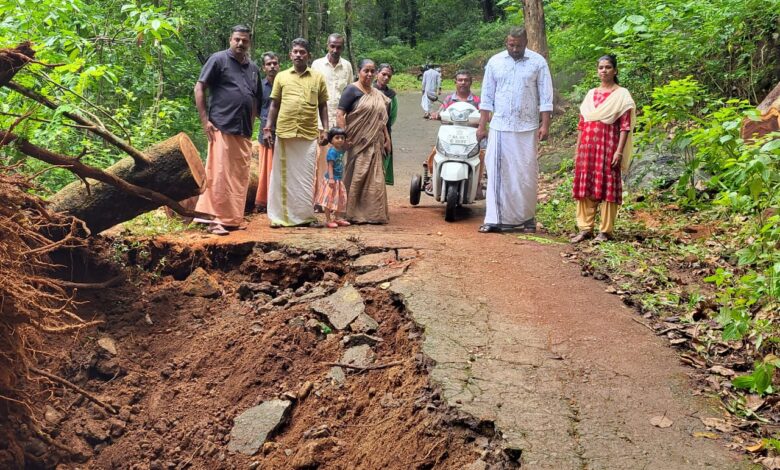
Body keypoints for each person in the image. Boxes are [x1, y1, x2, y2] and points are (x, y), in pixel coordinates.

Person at [476, 27, 554, 233]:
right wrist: (482, 125)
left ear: (526, 42)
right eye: (511, 45)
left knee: (526, 173)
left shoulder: (538, 62)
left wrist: (545, 124)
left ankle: (527, 218)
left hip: (527, 127)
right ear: (506, 42)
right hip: (500, 126)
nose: (515, 49)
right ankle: (494, 219)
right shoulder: (495, 62)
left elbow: (546, 96)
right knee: (497, 171)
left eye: (518, 45)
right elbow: (487, 97)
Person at [193, 25, 263, 236]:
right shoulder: (218, 59)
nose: (240, 43)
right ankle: (213, 219)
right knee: (219, 174)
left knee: (239, 176)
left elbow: (256, 99)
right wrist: (205, 120)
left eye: (245, 40)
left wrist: (254, 123)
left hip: (244, 129)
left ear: (249, 42)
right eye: (237, 39)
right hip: (221, 125)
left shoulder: (253, 68)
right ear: (230, 40)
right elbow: (199, 87)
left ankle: (232, 219)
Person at [263, 38, 329, 227]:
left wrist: (325, 129)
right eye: (296, 52)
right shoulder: (281, 77)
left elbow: (323, 105)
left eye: (302, 52)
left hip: (308, 135)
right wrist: (268, 128)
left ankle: (304, 217)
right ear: (290, 55)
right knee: (282, 177)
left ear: (309, 55)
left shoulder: (318, 77)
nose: (299, 55)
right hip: (285, 133)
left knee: (306, 178)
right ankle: (279, 217)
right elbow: (274, 104)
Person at [570, 55, 636, 243]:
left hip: (608, 147)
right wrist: (578, 150)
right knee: (586, 186)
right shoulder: (591, 94)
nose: (604, 70)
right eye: (601, 67)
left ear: (615, 70)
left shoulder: (622, 95)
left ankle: (605, 231)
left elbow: (625, 127)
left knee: (607, 186)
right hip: (588, 148)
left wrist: (619, 151)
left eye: (608, 67)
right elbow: (582, 124)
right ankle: (585, 228)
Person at [337, 59, 392, 224]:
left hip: (375, 141)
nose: (369, 74)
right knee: (357, 175)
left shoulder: (377, 94)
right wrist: (344, 137)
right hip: (357, 141)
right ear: (358, 71)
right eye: (366, 71)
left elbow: (381, 119)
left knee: (375, 178)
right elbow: (340, 114)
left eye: (372, 71)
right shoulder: (351, 90)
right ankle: (352, 212)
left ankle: (373, 214)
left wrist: (387, 139)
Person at [423, 70, 484, 193]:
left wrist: (484, 119)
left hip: (471, 137)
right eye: (460, 80)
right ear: (455, 82)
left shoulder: (477, 100)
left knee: (481, 155)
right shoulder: (449, 99)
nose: (463, 83)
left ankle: (478, 182)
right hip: (451, 135)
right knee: (436, 152)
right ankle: (434, 178)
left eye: (466, 80)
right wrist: (436, 114)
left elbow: (484, 114)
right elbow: (441, 111)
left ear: (471, 82)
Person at [312, 33, 354, 204]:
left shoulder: (347, 66)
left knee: (337, 161)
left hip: (340, 123)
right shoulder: (317, 65)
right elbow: (313, 93)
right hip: (321, 122)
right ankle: (320, 200)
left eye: (339, 47)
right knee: (321, 161)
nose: (335, 50)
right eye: (332, 46)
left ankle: (335, 200)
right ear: (327, 45)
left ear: (342, 47)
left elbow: (351, 93)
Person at [253, 51, 279, 213]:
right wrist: (265, 120)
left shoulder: (284, 83)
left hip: (283, 129)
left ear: (279, 65)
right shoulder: (260, 86)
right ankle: (264, 201)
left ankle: (279, 200)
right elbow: (255, 108)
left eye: (275, 63)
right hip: (265, 130)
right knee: (266, 167)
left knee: (280, 166)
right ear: (264, 67)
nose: (272, 66)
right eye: (269, 64)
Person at [315, 127, 351, 228]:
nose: (340, 140)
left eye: (342, 138)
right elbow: (330, 166)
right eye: (337, 137)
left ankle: (337, 218)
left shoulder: (341, 150)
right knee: (329, 200)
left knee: (340, 198)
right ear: (331, 140)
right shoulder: (332, 152)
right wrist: (331, 178)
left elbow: (346, 148)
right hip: (331, 180)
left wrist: (348, 144)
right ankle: (328, 219)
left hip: (338, 180)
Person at [374, 63, 397, 185]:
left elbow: (392, 116)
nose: (386, 77)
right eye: (383, 74)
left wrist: (384, 129)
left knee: (383, 161)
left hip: (385, 133)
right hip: (368, 131)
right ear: (377, 74)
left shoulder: (392, 95)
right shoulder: (368, 90)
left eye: (389, 76)